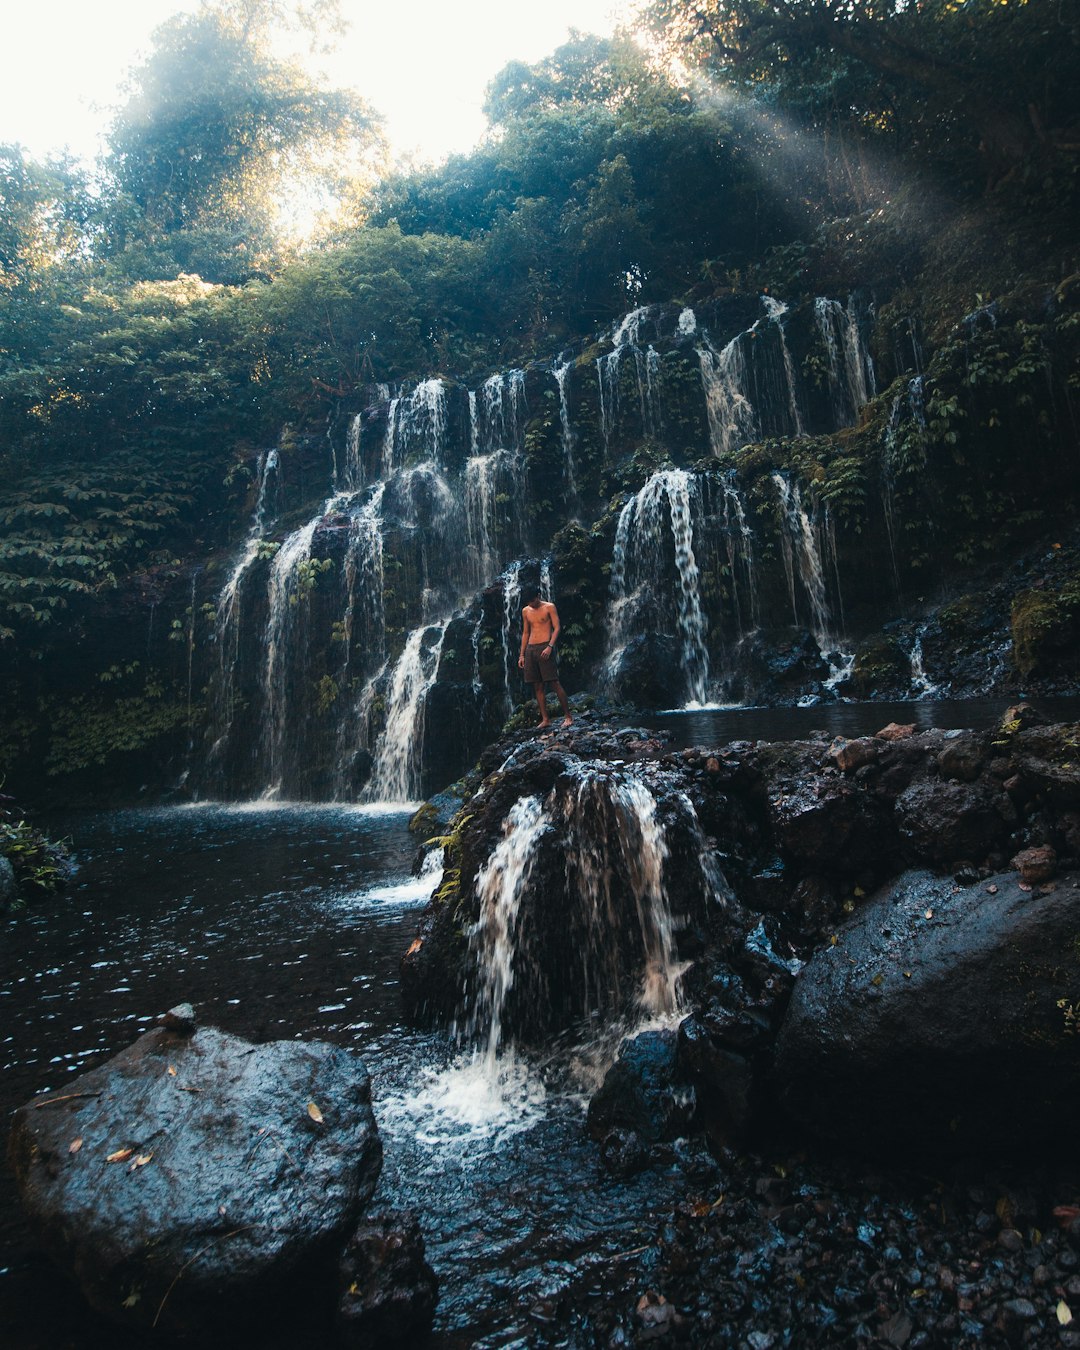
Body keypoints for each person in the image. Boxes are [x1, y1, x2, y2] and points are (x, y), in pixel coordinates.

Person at [519, 589, 572, 729]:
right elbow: (525, 632)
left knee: (554, 682)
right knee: (537, 685)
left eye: (533, 600)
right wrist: (522, 654)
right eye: (529, 602)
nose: (532, 604)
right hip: (531, 648)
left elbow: (557, 628)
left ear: (538, 596)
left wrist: (550, 646)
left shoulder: (549, 607)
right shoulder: (526, 611)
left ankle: (568, 716)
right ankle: (545, 719)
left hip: (545, 646)